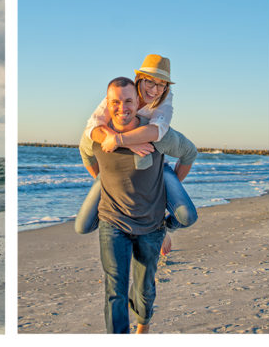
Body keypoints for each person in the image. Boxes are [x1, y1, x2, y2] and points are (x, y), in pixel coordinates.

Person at [81, 77, 197, 333]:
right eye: (115, 102)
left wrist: (166, 191)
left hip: (151, 224)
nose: (122, 107)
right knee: (115, 290)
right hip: (113, 222)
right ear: (107, 104)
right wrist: (103, 182)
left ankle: (142, 328)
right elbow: (86, 151)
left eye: (128, 101)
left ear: (138, 101)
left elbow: (189, 152)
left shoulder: (158, 133)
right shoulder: (98, 133)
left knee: (144, 288)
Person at [75, 54, 197, 256]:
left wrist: (119, 140)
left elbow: (158, 131)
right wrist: (120, 140)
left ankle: (160, 228)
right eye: (150, 82)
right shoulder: (122, 92)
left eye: (162, 85)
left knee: (187, 215)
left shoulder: (165, 98)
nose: (155, 90)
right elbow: (93, 128)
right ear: (139, 78)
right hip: (117, 171)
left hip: (153, 168)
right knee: (82, 226)